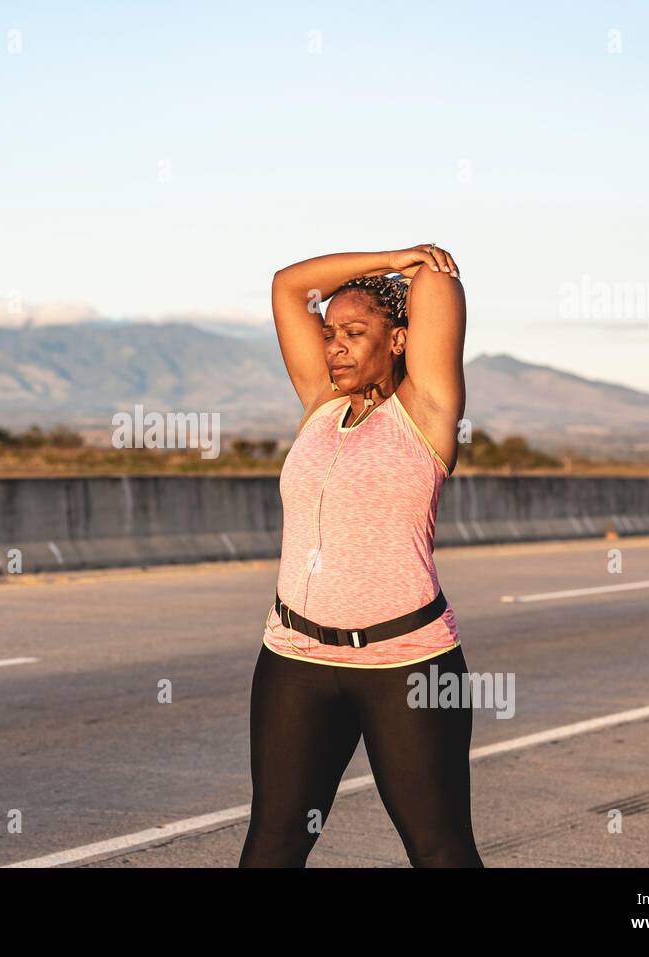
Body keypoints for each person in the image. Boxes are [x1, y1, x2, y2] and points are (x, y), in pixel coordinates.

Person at [239, 243, 483, 867]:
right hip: (295, 658)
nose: (335, 347)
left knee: (439, 848)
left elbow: (434, 281)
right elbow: (288, 284)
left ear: (400, 340)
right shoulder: (320, 406)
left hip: (407, 665)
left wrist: (411, 265)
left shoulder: (426, 412)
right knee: (273, 842)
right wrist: (388, 254)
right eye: (329, 334)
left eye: (354, 332)